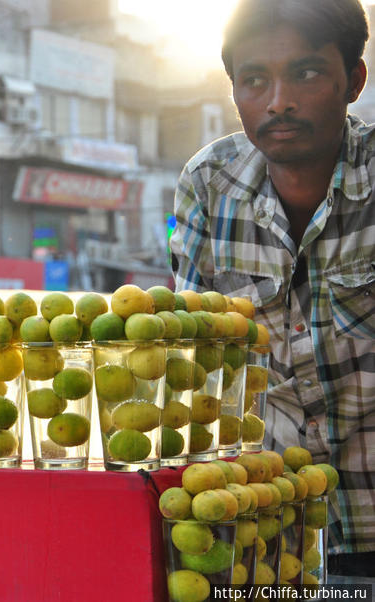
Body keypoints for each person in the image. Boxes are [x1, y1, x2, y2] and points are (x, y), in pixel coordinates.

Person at [169, 0, 374, 576]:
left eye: (306, 73)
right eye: (254, 80)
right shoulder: (209, 185)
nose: (278, 101)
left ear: (352, 81)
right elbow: (196, 366)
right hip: (269, 527)